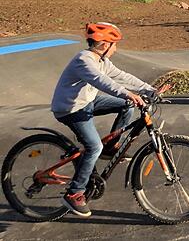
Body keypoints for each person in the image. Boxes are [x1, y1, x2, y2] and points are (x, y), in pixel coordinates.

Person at [52, 22, 163, 218]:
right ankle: (74, 193)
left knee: (126, 105)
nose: (116, 48)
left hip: (88, 101)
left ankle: (110, 147)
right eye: (114, 44)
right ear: (104, 45)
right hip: (70, 109)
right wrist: (128, 93)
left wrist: (149, 89)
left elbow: (121, 76)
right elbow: (102, 82)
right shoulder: (84, 60)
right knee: (94, 146)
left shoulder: (102, 61)